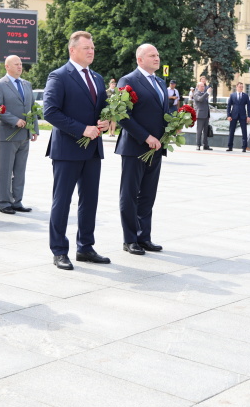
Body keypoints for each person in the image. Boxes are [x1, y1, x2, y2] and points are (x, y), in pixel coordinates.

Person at [44, 31, 110, 270]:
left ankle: (86, 247)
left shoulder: (97, 78)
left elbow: (102, 109)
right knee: (62, 202)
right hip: (67, 150)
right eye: (86, 48)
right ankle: (59, 250)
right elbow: (50, 112)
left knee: (89, 200)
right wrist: (82, 129)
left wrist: (107, 121)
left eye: (92, 48)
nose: (91, 51)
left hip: (92, 150)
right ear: (73, 50)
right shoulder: (59, 76)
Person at [115, 43, 166, 255]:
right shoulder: (128, 81)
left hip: (156, 148)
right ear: (140, 59)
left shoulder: (161, 83)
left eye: (157, 54)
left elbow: (161, 112)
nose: (157, 58)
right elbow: (122, 115)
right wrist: (146, 137)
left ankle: (144, 237)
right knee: (129, 194)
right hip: (135, 147)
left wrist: (174, 125)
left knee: (148, 194)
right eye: (152, 55)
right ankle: (130, 239)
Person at [0, 55, 38, 214]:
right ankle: (4, 202)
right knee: (5, 170)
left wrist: (34, 129)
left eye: (21, 64)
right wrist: (14, 120)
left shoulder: (26, 84)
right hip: (7, 135)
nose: (19, 66)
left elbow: (32, 108)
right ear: (7, 67)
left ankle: (17, 201)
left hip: (24, 135)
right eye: (16, 64)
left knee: (20, 171)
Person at [226, 82, 250, 152]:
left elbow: (248, 106)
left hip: (243, 115)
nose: (241, 88)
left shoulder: (245, 96)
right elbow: (228, 106)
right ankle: (230, 146)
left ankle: (244, 147)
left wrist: (249, 116)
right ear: (236, 87)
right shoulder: (232, 95)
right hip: (233, 115)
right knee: (231, 131)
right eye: (240, 86)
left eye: (242, 87)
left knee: (244, 131)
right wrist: (228, 115)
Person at [191, 81, 212, 151]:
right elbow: (200, 99)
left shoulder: (204, 94)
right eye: (202, 86)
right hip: (200, 115)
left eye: (204, 86)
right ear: (198, 87)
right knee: (199, 131)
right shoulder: (196, 93)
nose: (203, 87)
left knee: (206, 131)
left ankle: (205, 145)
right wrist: (207, 93)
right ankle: (198, 144)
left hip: (206, 115)